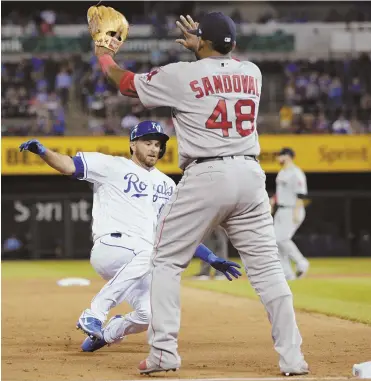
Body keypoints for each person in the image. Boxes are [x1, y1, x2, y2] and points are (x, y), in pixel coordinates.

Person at [87, 7, 308, 376]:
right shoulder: (251, 73)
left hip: (207, 173)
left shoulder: (181, 75)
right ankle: (293, 359)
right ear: (233, 43)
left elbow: (123, 83)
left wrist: (103, 52)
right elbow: (222, 62)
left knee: (164, 262)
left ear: (201, 41)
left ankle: (163, 355)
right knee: (270, 273)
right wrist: (204, 45)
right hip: (251, 176)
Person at [19, 121, 242, 352]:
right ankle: (94, 313)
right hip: (112, 247)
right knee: (153, 253)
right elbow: (68, 166)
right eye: (148, 143)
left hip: (141, 261)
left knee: (151, 314)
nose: (154, 148)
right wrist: (44, 152)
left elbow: (177, 232)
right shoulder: (111, 165)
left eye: (157, 144)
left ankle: (107, 333)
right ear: (133, 144)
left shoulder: (167, 184)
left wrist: (211, 258)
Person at [270, 148, 310, 280]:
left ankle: (301, 262)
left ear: (287, 156)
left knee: (282, 238)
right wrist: (273, 201)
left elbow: (301, 194)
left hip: (292, 209)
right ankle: (287, 273)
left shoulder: (296, 173)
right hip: (281, 209)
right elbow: (281, 191)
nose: (278, 158)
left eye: (280, 155)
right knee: (275, 242)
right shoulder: (282, 172)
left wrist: (296, 212)